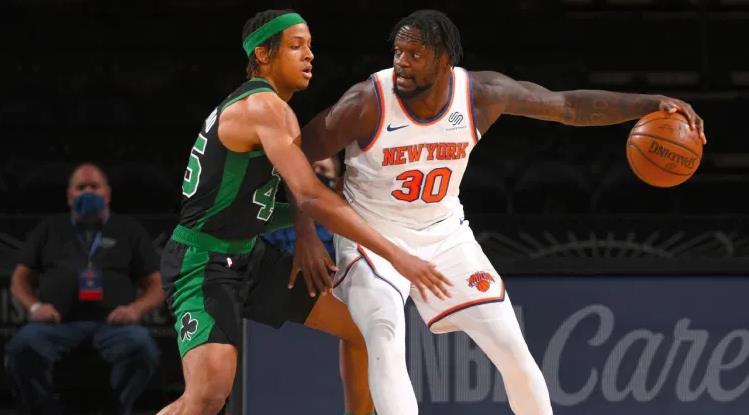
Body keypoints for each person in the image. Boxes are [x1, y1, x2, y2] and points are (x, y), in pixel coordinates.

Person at [300, 9, 707, 415]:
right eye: (398, 52)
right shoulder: (367, 101)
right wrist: (307, 236)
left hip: (444, 233)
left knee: (511, 348)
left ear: (444, 59)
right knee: (384, 334)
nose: (402, 63)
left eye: (415, 54)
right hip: (372, 235)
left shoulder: (480, 94)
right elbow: (297, 156)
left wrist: (651, 104)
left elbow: (565, 105)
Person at [156, 9, 451, 415]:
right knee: (207, 396)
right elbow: (308, 194)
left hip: (248, 253)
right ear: (263, 54)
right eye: (296, 46)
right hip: (202, 260)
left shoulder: (276, 109)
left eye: (310, 46)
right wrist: (397, 255)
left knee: (362, 328)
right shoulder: (262, 107)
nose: (309, 55)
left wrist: (310, 231)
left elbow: (261, 204)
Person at [5, 162, 164, 415]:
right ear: (70, 196)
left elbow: (156, 284)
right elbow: (20, 278)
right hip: (57, 324)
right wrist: (34, 308)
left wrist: (135, 310)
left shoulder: (129, 230)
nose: (88, 192)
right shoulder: (49, 229)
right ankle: (45, 410)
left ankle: (116, 410)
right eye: (81, 187)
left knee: (143, 347)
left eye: (94, 186)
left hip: (114, 326)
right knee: (22, 347)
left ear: (107, 194)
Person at [261, 157, 341, 257]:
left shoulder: (336, 229)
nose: (315, 173)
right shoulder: (275, 203)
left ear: (335, 182)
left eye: (322, 169)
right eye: (310, 168)